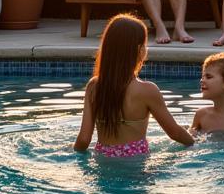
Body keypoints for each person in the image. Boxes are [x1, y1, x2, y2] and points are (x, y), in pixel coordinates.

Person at [74, 13, 195, 156]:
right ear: (139, 50)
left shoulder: (94, 86)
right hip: (137, 166)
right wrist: (194, 142)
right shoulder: (147, 90)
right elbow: (174, 132)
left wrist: (70, 148)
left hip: (103, 161)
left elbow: (83, 140)